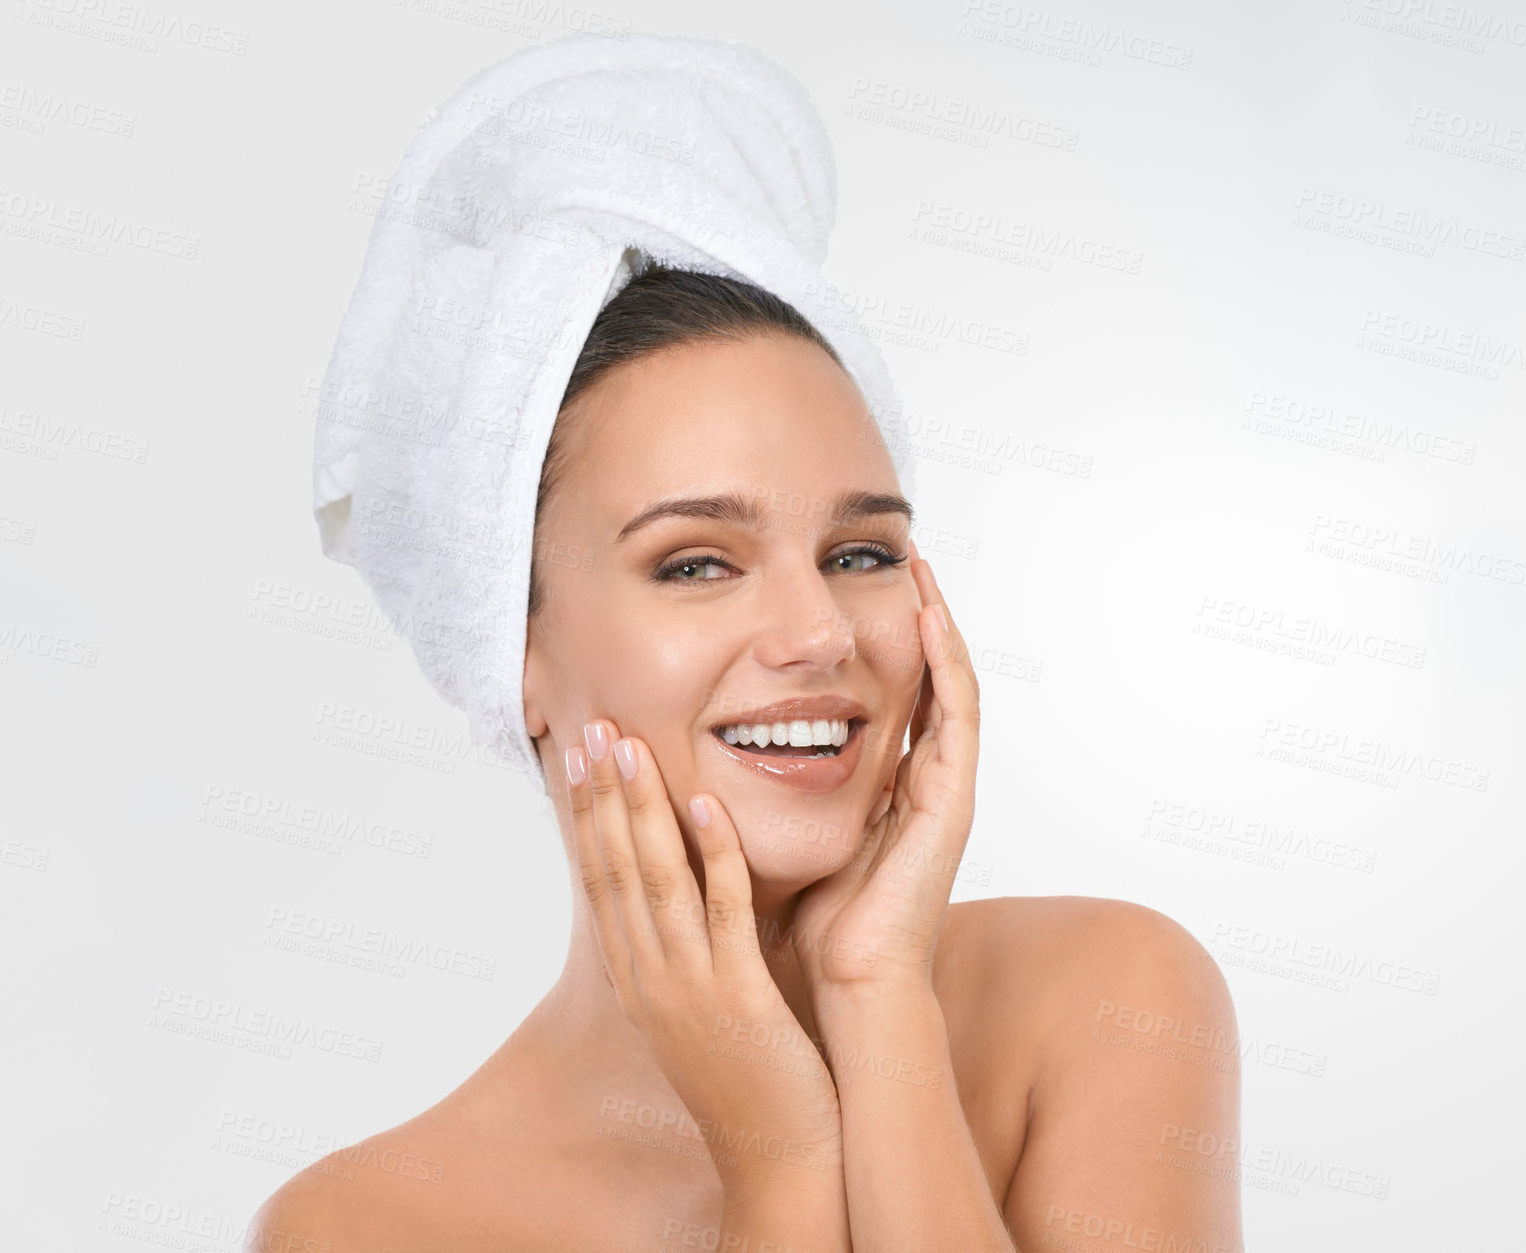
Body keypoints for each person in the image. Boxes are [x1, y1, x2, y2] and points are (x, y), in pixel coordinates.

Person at [248, 268, 1243, 1252]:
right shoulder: (360, 1227)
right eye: (696, 563)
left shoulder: (1110, 997)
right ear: (509, 650)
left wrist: (878, 996)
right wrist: (782, 1172)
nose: (819, 632)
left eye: (861, 553)